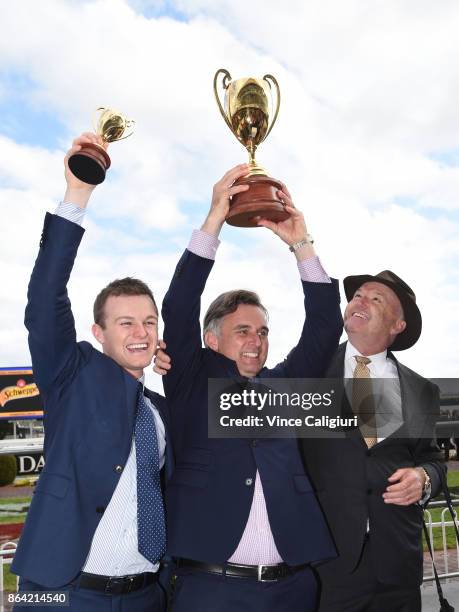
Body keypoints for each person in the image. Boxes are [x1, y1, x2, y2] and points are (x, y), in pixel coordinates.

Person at [157, 164, 343, 612]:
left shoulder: (283, 387)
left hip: (293, 589)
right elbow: (179, 306)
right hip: (212, 590)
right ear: (212, 339)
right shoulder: (189, 378)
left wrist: (301, 243)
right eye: (242, 331)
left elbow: (323, 326)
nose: (256, 341)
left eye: (262, 332)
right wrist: (215, 219)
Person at [11, 133, 172, 612]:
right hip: (61, 594)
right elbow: (44, 300)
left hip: (147, 595)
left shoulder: (160, 412)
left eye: (148, 321)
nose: (140, 331)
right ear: (99, 333)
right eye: (125, 322)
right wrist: (77, 196)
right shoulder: (72, 376)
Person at [300, 271, 445, 612]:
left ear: (398, 325)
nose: (360, 300)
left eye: (376, 299)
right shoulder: (308, 372)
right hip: (327, 568)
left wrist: (424, 478)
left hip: (398, 569)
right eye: (358, 295)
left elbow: (433, 460)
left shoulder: (422, 391)